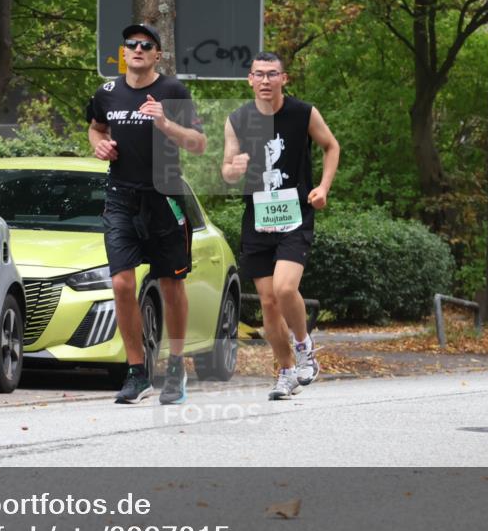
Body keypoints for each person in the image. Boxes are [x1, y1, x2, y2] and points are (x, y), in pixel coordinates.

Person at [86, 23, 207, 403]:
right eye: (131, 44)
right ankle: (137, 372)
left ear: (157, 55)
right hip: (121, 198)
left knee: (171, 285)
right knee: (122, 283)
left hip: (164, 197)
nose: (137, 49)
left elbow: (199, 144)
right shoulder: (107, 93)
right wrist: (99, 145)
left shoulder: (173, 91)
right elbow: (96, 128)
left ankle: (176, 367)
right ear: (123, 52)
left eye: (146, 45)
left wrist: (165, 123)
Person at [221, 51, 340, 400]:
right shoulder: (237, 120)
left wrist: (323, 188)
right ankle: (286, 372)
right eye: (258, 74)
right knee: (269, 302)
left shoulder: (303, 113)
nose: (265, 80)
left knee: (285, 289)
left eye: (272, 74)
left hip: (295, 215)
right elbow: (226, 170)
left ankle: (304, 348)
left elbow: (331, 146)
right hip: (258, 217)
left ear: (283, 79)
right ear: (250, 80)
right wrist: (234, 169)